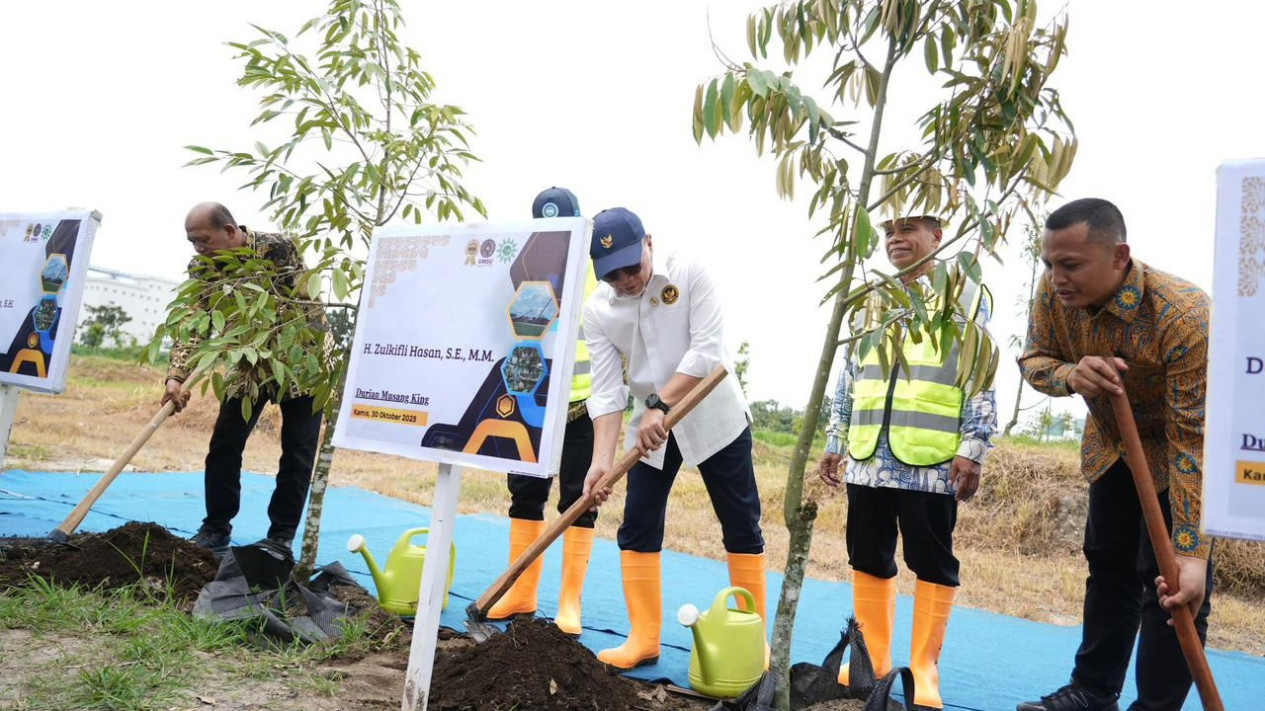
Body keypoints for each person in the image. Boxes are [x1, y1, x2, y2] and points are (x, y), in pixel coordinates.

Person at [1016, 198, 1213, 711]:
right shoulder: (1052, 293)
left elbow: (1194, 437)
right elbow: (1034, 359)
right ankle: (1093, 691)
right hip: (1112, 449)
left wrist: (1192, 552)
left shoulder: (1185, 315)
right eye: (1049, 263)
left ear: (1119, 256)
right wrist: (1068, 374)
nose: (1056, 277)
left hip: (1180, 457)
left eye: (1071, 264)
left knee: (1174, 591)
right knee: (1108, 569)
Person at [817, 214, 996, 711]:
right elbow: (849, 376)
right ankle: (869, 660)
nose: (897, 238)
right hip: (868, 455)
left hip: (932, 462)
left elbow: (981, 375)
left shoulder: (965, 297)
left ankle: (923, 670)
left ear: (937, 237)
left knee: (932, 561)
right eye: (890, 229)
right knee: (868, 556)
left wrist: (973, 448)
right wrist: (836, 439)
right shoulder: (868, 301)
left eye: (909, 228)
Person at [581, 206, 766, 669]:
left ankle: (752, 642)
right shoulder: (598, 310)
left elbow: (707, 351)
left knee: (740, 523)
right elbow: (605, 392)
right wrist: (601, 460)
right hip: (650, 431)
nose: (625, 279)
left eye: (631, 266)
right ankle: (643, 638)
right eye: (612, 274)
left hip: (712, 412)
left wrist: (660, 405)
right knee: (637, 524)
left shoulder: (688, 271)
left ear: (648, 241)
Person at [163, 202, 324, 560]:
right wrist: (177, 375)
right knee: (224, 444)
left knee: (297, 454)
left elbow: (291, 307)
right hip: (247, 363)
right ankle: (215, 529)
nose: (199, 249)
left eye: (204, 240)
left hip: (300, 360)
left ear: (231, 231)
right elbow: (193, 320)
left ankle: (279, 540)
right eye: (192, 242)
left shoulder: (277, 249)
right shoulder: (202, 267)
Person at [485, 187, 598, 636]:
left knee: (580, 500)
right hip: (533, 403)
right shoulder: (523, 268)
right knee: (525, 496)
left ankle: (569, 602)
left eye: (567, 227)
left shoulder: (598, 272)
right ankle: (521, 592)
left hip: (584, 407)